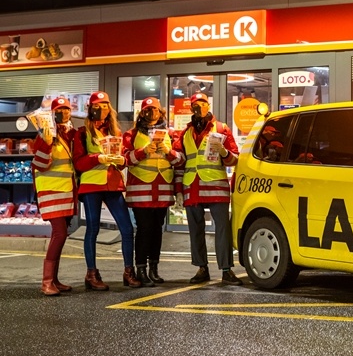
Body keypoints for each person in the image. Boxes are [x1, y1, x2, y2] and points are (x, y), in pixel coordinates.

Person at [73, 91, 141, 290]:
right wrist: (97, 159)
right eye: (97, 105)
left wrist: (122, 161)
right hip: (92, 185)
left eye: (105, 105)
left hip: (113, 184)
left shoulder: (116, 133)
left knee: (127, 229)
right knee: (92, 229)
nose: (101, 109)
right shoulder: (82, 133)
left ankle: (129, 272)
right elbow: (78, 163)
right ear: (90, 108)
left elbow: (121, 160)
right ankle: (91, 274)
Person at [173, 93, 242, 285]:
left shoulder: (221, 128)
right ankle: (201, 268)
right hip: (192, 186)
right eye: (196, 104)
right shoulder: (185, 133)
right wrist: (178, 190)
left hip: (216, 187)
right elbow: (180, 164)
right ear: (191, 108)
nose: (199, 107)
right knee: (195, 230)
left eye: (203, 103)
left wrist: (224, 152)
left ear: (208, 105)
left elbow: (235, 158)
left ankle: (226, 270)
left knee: (222, 229)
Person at [122, 97, 184, 286]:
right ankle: (140, 269)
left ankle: (153, 269)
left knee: (157, 230)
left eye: (155, 109)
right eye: (147, 110)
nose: (151, 113)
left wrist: (168, 151)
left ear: (161, 112)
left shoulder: (171, 135)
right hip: (141, 191)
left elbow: (180, 161)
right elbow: (123, 159)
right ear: (142, 113)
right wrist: (142, 152)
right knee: (144, 229)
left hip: (163, 189)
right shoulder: (131, 135)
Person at [32, 97, 77, 296]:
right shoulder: (45, 134)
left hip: (65, 191)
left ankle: (54, 279)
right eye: (59, 110)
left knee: (59, 235)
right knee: (60, 234)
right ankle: (46, 281)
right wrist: (47, 143)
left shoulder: (69, 134)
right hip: (51, 191)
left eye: (66, 109)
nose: (64, 113)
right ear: (52, 113)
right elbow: (40, 164)